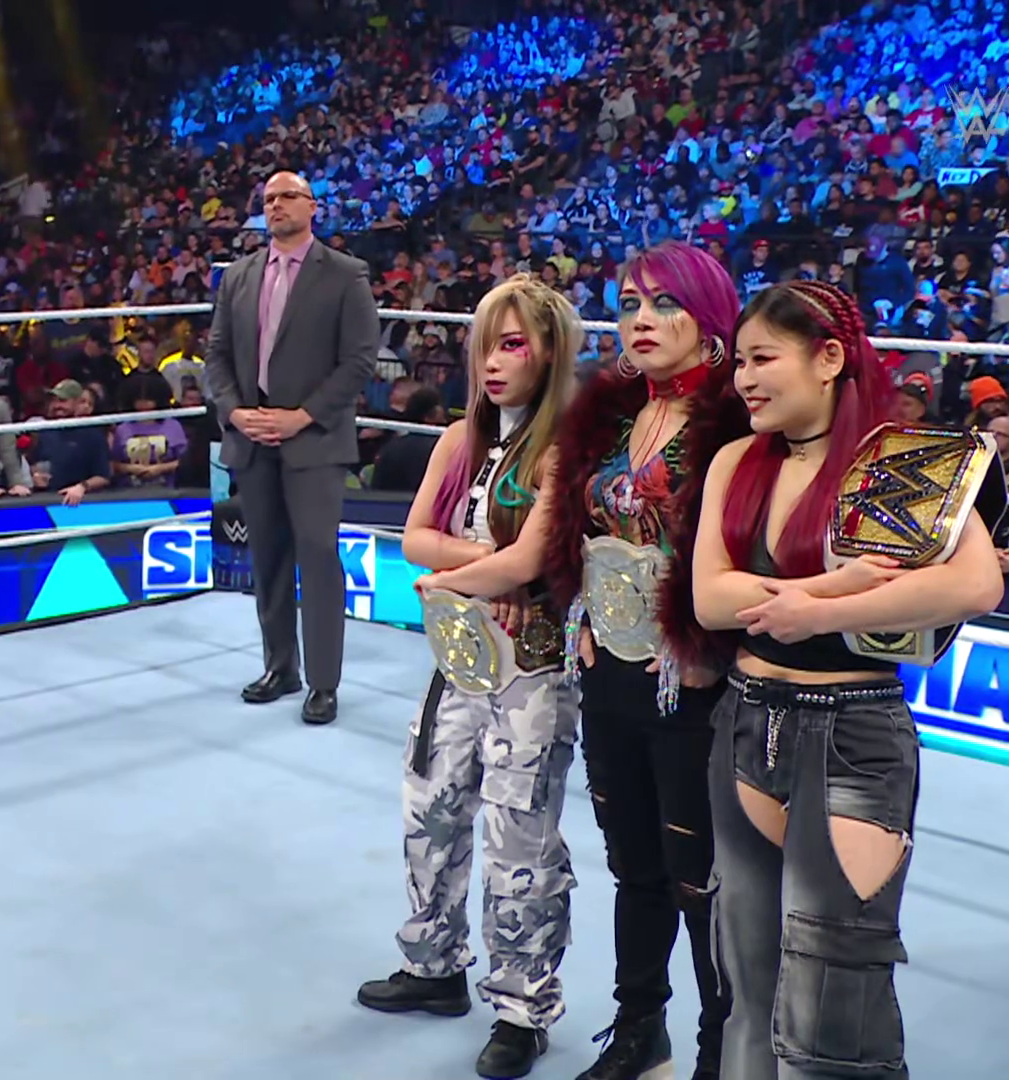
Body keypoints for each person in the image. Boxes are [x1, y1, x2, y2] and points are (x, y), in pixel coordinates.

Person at [693, 280, 1004, 1080]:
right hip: (746, 722)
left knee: (835, 1002)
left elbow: (975, 586)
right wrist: (831, 590)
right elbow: (710, 599)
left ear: (828, 358)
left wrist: (815, 612)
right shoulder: (736, 460)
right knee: (747, 986)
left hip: (854, 730)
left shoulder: (903, 460)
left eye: (763, 359)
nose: (744, 380)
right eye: (740, 363)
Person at [356, 277, 581, 1079]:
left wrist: (463, 575)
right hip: (456, 660)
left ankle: (522, 1008)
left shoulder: (565, 446)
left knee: (520, 837)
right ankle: (433, 966)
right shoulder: (460, 438)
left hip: (533, 667)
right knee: (431, 807)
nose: (492, 362)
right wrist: (484, 567)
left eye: (512, 344)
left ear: (549, 352)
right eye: (484, 344)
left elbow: (536, 559)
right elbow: (415, 538)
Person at [543, 242, 747, 1080]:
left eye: (665, 303)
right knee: (633, 864)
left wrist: (712, 647)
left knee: (700, 876)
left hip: (692, 681)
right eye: (630, 302)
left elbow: (756, 549)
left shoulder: (740, 420)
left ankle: (719, 1050)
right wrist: (578, 609)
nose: (642, 319)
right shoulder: (611, 413)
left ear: (710, 318)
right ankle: (638, 1028)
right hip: (609, 669)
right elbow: (571, 528)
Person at [203, 169, 379, 725]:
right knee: (269, 557)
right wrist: (236, 413)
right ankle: (280, 667)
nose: (276, 205)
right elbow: (216, 356)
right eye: (268, 198)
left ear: (312, 206)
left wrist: (302, 416)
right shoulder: (238, 276)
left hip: (314, 439)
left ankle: (323, 683)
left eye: (287, 196)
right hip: (252, 437)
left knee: (318, 557)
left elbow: (359, 360)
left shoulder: (345, 274)